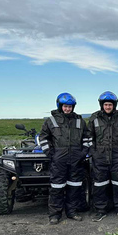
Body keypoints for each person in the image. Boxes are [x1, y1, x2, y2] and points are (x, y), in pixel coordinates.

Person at [39, 93, 90, 225]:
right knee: (57, 187)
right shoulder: (51, 121)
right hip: (59, 160)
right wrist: (51, 154)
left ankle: (72, 212)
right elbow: (44, 138)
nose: (68, 109)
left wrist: (83, 153)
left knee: (75, 187)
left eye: (70, 107)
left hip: (76, 159)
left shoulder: (80, 121)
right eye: (65, 106)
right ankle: (55, 214)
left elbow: (87, 138)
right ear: (60, 106)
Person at [88, 91, 118, 221]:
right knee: (100, 184)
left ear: (114, 105)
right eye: (106, 104)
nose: (108, 107)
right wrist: (94, 153)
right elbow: (89, 138)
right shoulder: (94, 119)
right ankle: (100, 210)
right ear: (102, 105)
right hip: (100, 156)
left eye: (110, 104)